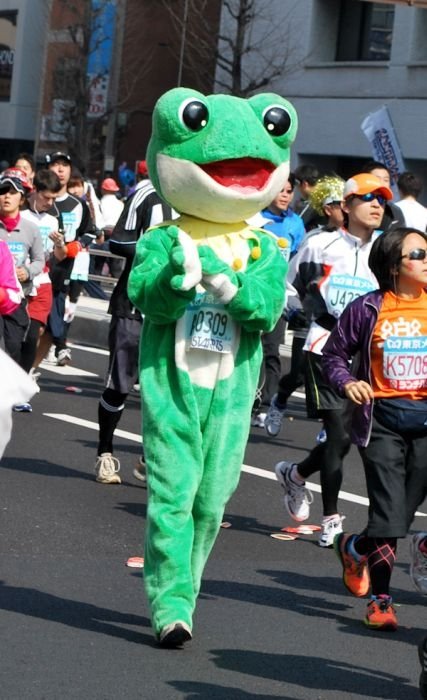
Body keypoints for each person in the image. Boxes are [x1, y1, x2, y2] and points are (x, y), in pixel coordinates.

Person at [273, 173, 393, 548]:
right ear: (345, 205)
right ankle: (332, 519)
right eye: (368, 198)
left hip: (371, 357)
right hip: (326, 348)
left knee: (355, 440)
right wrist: (294, 310)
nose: (377, 205)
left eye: (382, 200)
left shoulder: (388, 249)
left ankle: (295, 474)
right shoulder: (319, 245)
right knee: (338, 435)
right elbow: (286, 284)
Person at [321, 226, 427, 631]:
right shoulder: (367, 308)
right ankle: (382, 600)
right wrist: (348, 381)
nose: (426, 260)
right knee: (387, 513)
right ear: (393, 266)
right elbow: (333, 356)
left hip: (425, 422)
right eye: (417, 254)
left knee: (400, 513)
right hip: (380, 422)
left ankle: (353, 546)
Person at [94, 165, 174, 485]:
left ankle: (149, 457)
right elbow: (118, 242)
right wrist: (161, 252)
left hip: (178, 311)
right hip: (136, 304)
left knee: (169, 393)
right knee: (119, 385)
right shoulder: (146, 193)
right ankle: (105, 453)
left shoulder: (203, 201)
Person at [264, 175, 345, 438]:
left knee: (340, 374)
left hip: (342, 324)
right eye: (338, 203)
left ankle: (330, 424)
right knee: (299, 373)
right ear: (326, 208)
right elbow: (293, 279)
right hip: (311, 319)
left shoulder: (362, 242)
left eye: (348, 202)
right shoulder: (316, 240)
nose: (345, 208)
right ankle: (280, 400)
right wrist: (295, 309)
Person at [251, 174, 305, 427]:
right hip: (253, 292)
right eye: (280, 191)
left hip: (278, 297)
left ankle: (265, 404)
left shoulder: (296, 224)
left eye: (289, 191)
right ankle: (247, 399)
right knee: (250, 349)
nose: (285, 195)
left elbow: (297, 262)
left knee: (272, 350)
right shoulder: (256, 219)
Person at [34, 152, 91, 367]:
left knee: (50, 327)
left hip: (61, 272)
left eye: (64, 166)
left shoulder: (77, 204)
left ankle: (31, 367)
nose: (60, 170)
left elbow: (90, 232)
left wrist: (76, 245)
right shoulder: (34, 202)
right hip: (33, 273)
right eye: (55, 165)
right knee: (32, 327)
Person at [0, 168, 44, 368]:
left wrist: (26, 272)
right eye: (3, 191)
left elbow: (39, 261)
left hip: (18, 298)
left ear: (22, 198)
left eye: (12, 192)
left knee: (14, 347)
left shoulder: (31, 228)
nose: (6, 196)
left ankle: (15, 392)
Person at [20, 169, 62, 376]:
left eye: (54, 198)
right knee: (12, 336)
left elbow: (59, 256)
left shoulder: (53, 221)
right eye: (46, 197)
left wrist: (60, 244)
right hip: (16, 281)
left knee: (33, 334)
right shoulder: (20, 216)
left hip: (42, 281)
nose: (50, 203)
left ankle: (22, 380)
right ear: (35, 191)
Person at [361, 159, 405, 232]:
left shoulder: (395, 212)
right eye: (377, 179)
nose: (382, 183)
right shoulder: (355, 204)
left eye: (386, 180)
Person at [293, 163, 323, 231]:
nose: (297, 189)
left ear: (304, 184)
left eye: (297, 185)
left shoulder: (311, 204)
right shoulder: (326, 198)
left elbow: (294, 227)